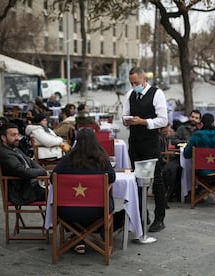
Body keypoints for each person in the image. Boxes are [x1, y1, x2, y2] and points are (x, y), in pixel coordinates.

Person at [50, 128, 124, 254]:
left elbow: (53, 178)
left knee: (75, 203)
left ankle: (78, 236)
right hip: (98, 210)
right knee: (103, 202)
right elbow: (112, 178)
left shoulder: (67, 160)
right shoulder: (102, 160)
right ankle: (87, 234)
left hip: (67, 211)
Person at [122, 66, 168, 232]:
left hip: (150, 142)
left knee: (156, 180)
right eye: (131, 83)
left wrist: (144, 122)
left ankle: (159, 218)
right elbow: (125, 115)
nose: (134, 86)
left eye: (136, 83)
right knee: (137, 180)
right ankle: (142, 214)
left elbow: (163, 120)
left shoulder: (157, 94)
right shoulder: (129, 95)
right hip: (135, 142)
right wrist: (126, 120)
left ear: (144, 80)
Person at [0, 122, 47, 205]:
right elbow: (22, 171)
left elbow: (31, 162)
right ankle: (54, 217)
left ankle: (53, 217)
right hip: (22, 193)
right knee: (57, 194)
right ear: (3, 138)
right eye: (13, 135)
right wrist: (43, 172)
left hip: (30, 187)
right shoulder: (5, 153)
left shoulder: (14, 148)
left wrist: (42, 170)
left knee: (58, 190)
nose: (17, 138)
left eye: (17, 135)